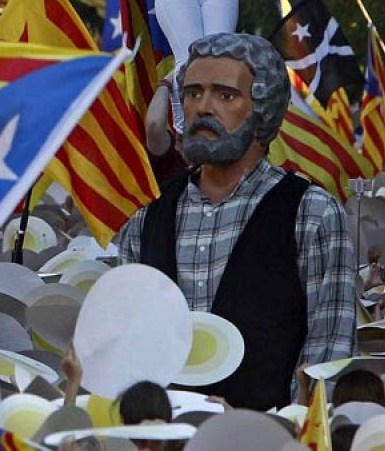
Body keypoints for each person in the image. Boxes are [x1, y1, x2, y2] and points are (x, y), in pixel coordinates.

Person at [116, 33, 355, 411]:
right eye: (193, 93)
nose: (203, 108)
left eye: (225, 96)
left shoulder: (312, 214)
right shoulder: (147, 215)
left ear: (262, 108)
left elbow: (326, 361)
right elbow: (124, 349)